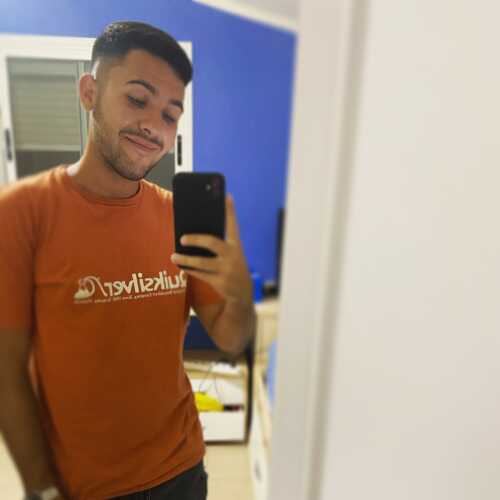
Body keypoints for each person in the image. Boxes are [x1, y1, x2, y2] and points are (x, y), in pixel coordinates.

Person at [0, 21, 255, 500]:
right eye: (137, 100)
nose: (154, 127)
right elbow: (6, 369)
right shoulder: (20, 213)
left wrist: (241, 293)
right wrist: (41, 488)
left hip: (182, 470)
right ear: (89, 92)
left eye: (171, 114)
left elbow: (230, 337)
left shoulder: (175, 216)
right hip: (82, 487)